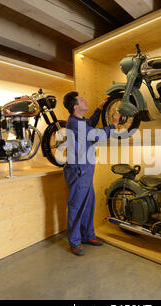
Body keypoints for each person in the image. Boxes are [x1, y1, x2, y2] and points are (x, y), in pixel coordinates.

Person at [62, 91, 120, 256]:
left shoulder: (80, 121)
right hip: (79, 171)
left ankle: (88, 236)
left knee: (88, 205)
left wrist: (99, 109)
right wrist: (114, 124)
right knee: (76, 207)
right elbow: (98, 134)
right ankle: (74, 241)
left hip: (85, 170)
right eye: (81, 99)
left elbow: (91, 124)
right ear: (76, 107)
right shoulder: (75, 124)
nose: (85, 99)